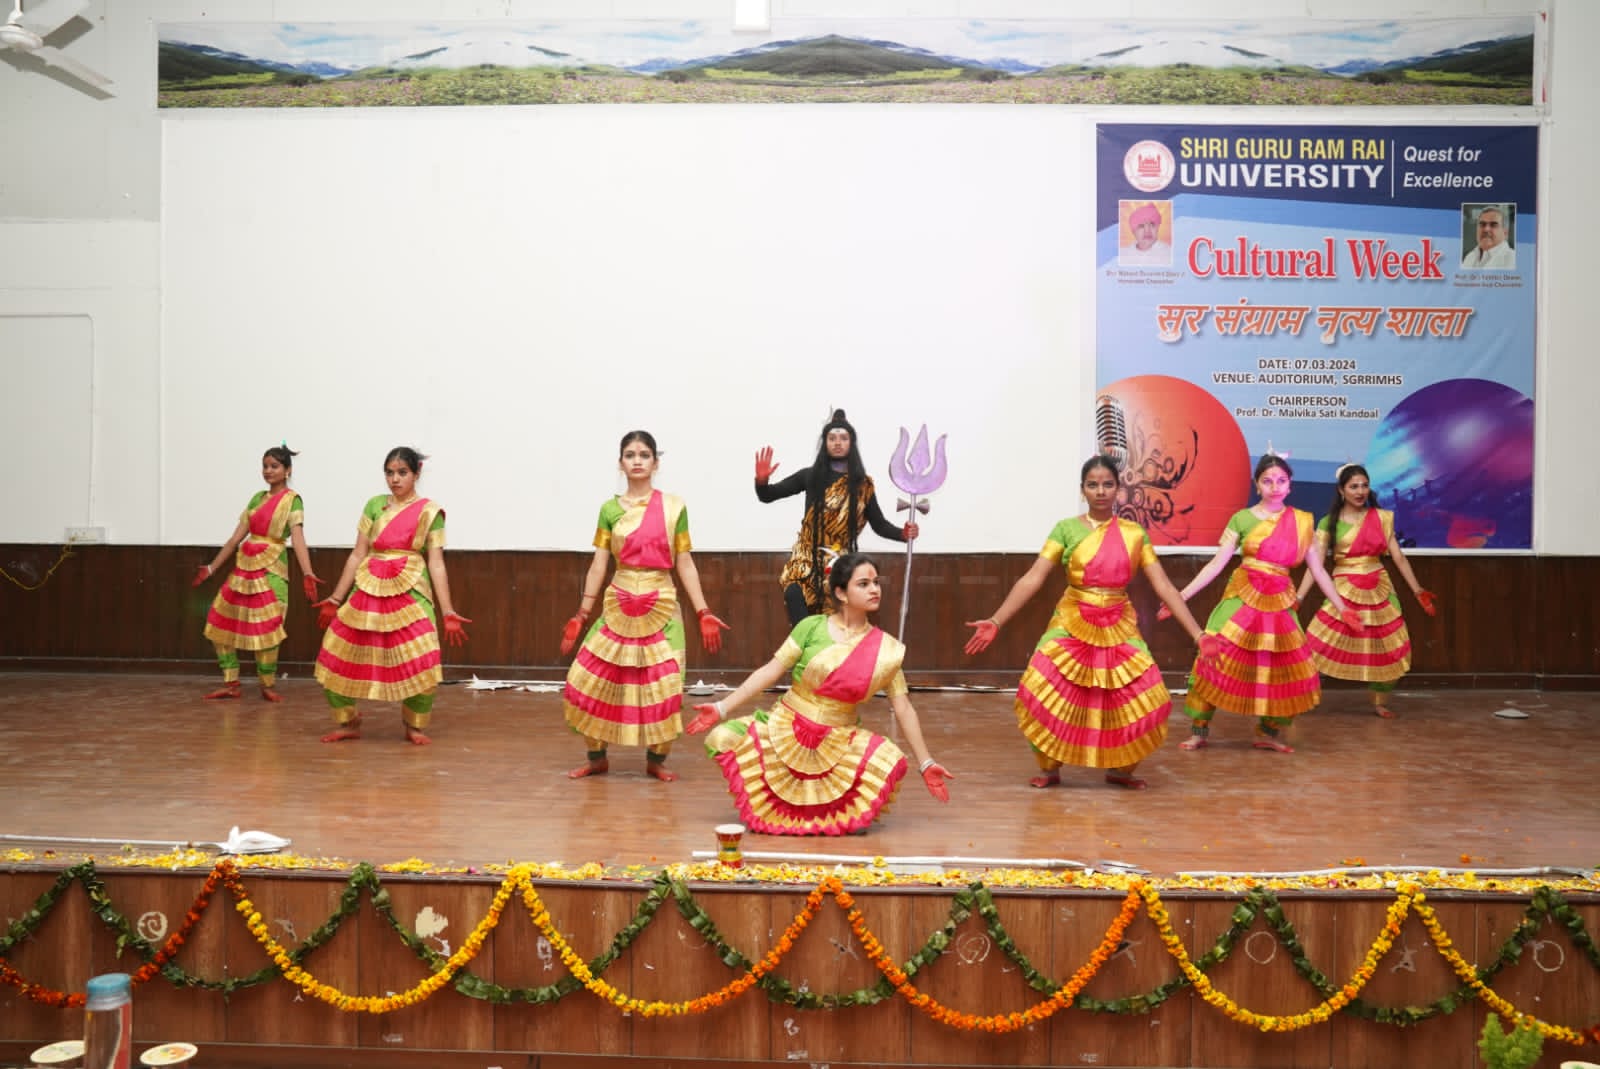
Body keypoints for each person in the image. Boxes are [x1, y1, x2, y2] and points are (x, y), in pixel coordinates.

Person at [962, 455, 1218, 790]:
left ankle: (1121, 769)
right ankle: (1049, 767)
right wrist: (996, 620)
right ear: (1082, 490)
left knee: (1146, 694)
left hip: (1119, 620)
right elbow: (1033, 578)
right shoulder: (1066, 529)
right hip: (1072, 616)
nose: (1100, 491)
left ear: (1118, 489)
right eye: (1092, 485)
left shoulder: (1134, 533)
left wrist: (1198, 634)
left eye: (1108, 484)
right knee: (1041, 684)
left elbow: (1165, 587)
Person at [686, 552, 952, 835]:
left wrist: (926, 762)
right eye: (863, 584)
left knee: (891, 761)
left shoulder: (885, 651)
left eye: (876, 582)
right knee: (725, 736)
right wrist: (721, 707)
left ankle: (829, 817)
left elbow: (904, 708)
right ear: (841, 592)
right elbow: (770, 671)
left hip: (838, 737)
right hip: (786, 727)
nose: (874, 589)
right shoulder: (811, 627)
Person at [1159, 453, 1361, 753]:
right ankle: (1199, 731)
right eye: (1267, 481)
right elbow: (1216, 565)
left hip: (1280, 603)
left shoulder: (1302, 522)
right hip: (1242, 598)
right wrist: (1181, 597)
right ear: (1257, 485)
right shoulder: (1241, 519)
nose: (1275, 486)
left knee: (1286, 668)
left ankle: (1267, 733)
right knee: (1214, 658)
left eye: (1281, 480)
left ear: (1290, 485)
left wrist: (1343, 608)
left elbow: (1318, 571)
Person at [560, 430, 729, 782]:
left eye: (644, 454)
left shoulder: (674, 507)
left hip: (661, 603)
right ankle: (597, 758)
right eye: (630, 455)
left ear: (655, 463)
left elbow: (685, 563)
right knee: (590, 679)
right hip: (618, 603)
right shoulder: (609, 510)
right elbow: (599, 564)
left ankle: (656, 760)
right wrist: (581, 613)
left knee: (665, 686)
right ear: (620, 463)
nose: (637, 460)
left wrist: (703, 611)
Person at [312, 447, 469, 745]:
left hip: (411, 587)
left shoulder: (430, 512)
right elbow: (357, 554)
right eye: (389, 473)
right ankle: (349, 721)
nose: (394, 479)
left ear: (416, 473)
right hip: (369, 585)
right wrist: (335, 598)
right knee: (336, 652)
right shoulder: (374, 505)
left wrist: (447, 610)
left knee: (423, 657)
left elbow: (436, 563)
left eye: (402, 473)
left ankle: (414, 725)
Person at [1295, 463, 1438, 718]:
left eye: (1364, 485)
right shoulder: (1329, 523)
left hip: (1379, 587)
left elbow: (1398, 557)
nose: (1360, 491)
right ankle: (1298, 695)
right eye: (1353, 486)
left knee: (1391, 645)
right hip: (1343, 590)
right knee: (1316, 641)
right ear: (1341, 491)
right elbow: (1316, 565)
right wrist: (1299, 597)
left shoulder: (1382, 518)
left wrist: (1418, 591)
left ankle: (1380, 701)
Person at [755, 409, 917, 626]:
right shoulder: (810, 476)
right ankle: (805, 641)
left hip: (840, 558)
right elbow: (768, 496)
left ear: (851, 443)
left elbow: (879, 524)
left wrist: (902, 534)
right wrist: (761, 481)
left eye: (843, 438)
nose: (837, 443)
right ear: (825, 443)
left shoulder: (862, 484)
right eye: (832, 438)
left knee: (835, 616)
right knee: (794, 592)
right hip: (806, 554)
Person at [192, 444, 322, 702]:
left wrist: (308, 573)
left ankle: (267, 684)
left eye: (274, 466)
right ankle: (231, 682)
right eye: (265, 466)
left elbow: (297, 538)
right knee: (220, 620)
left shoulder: (292, 500)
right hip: (244, 569)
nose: (268, 471)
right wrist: (211, 567)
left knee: (269, 625)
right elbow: (235, 539)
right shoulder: (256, 499)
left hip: (272, 569)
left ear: (287, 470)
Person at [1461, 205, 1515, 269]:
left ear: (1505, 233)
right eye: (1482, 224)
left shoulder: (1513, 259)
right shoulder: (1470, 257)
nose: (1486, 229)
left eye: (1493, 225)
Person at [1120, 201, 1173, 266]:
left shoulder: (1169, 253)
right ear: (1133, 231)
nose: (1147, 231)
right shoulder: (1123, 254)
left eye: (1152, 224)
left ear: (1157, 228)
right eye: (1141, 226)